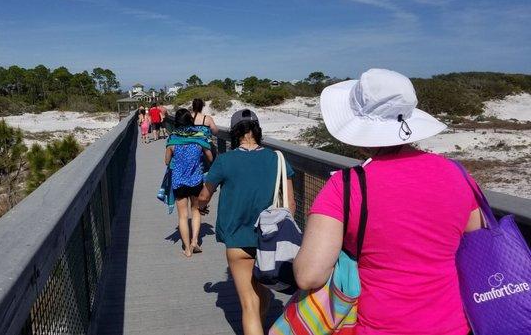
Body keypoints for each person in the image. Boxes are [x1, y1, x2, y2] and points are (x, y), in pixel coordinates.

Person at [293, 69, 482, 335]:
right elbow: (475, 242)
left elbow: (309, 275)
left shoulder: (346, 185)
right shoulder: (457, 174)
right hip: (454, 325)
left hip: (379, 326)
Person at [198, 109, 296, 335]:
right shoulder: (277, 158)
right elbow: (290, 205)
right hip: (269, 241)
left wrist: (199, 207)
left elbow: (204, 195)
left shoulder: (224, 161)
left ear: (235, 133)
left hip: (238, 241)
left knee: (249, 304)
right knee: (262, 296)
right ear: (257, 130)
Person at [165, 108, 213, 258]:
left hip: (179, 181)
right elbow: (210, 158)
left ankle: (187, 249)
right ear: (190, 120)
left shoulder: (172, 139)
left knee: (183, 216)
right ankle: (194, 242)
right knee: (196, 211)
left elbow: (166, 161)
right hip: (196, 180)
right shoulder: (200, 137)